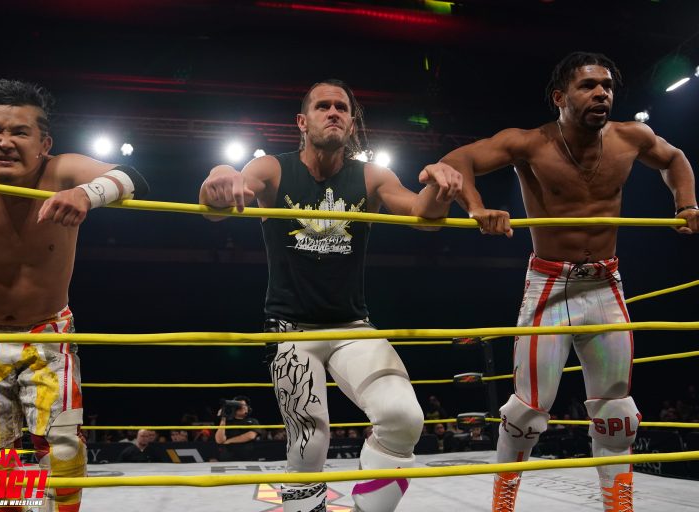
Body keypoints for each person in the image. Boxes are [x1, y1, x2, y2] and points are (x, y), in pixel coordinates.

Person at [438, 51, 698, 511]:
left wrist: (687, 204)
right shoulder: (530, 143)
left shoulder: (630, 137)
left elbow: (674, 158)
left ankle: (619, 505)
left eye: (607, 86)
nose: (601, 94)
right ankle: (503, 502)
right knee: (527, 410)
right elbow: (458, 160)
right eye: (588, 86)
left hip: (606, 283)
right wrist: (476, 208)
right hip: (549, 286)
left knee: (617, 410)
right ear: (560, 97)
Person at [200, 78, 463, 512]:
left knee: (404, 417)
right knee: (309, 440)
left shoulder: (372, 175)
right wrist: (218, 175)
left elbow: (423, 215)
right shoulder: (273, 169)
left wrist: (440, 184)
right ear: (302, 121)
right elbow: (217, 203)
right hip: (290, 328)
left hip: (351, 326)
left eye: (342, 107)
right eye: (323, 106)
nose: (334, 112)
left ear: (352, 122)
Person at [0, 79, 149, 512]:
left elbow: (135, 177)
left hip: (48, 332)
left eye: (19, 132)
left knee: (65, 449)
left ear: (44, 144)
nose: (4, 141)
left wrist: (85, 194)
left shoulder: (62, 170)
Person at [214, 395, 263, 461]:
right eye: (239, 405)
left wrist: (229, 441)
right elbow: (219, 440)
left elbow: (251, 436)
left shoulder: (252, 421)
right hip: (228, 458)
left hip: (248, 459)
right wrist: (223, 418)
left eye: (244, 405)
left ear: (248, 408)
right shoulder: (226, 423)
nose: (242, 407)